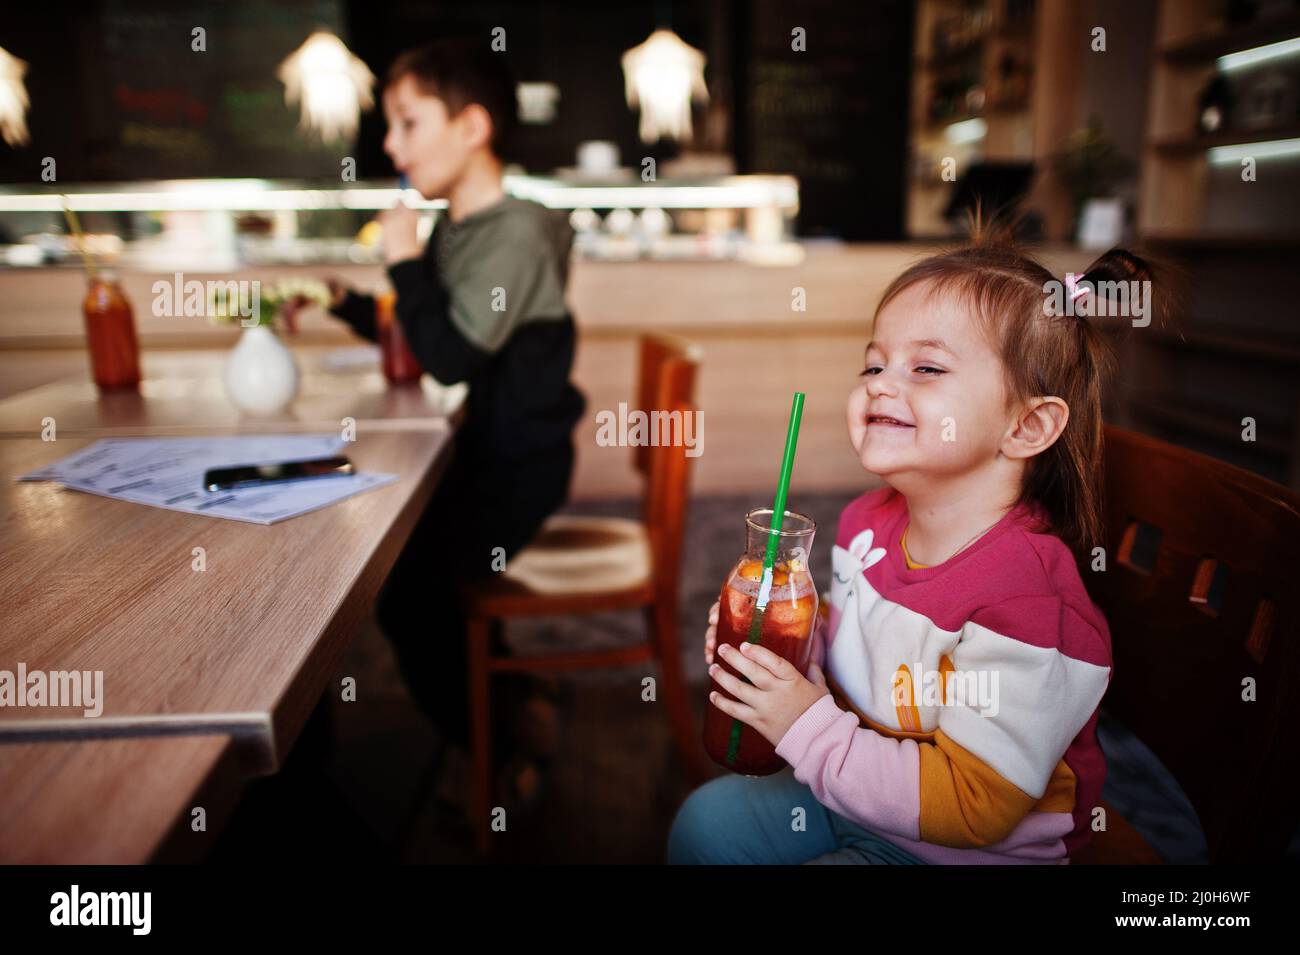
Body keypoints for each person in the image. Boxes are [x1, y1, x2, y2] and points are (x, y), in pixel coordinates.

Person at [668, 225, 1166, 864]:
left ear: (1028, 426)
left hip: (959, 851)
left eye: (925, 368)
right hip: (853, 790)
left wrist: (801, 724)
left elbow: (974, 806)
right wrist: (782, 646)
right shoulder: (864, 525)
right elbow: (864, 667)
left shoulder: (1028, 606)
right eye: (874, 364)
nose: (879, 383)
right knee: (703, 823)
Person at [292, 39, 585, 805]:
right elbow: (427, 331)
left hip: (516, 462)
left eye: (407, 123)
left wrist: (399, 260)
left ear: (472, 127)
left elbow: (450, 354)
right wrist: (344, 300)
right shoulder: (460, 226)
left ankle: (491, 750)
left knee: (409, 594)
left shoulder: (515, 232)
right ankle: (513, 702)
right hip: (481, 453)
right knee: (423, 574)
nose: (390, 145)